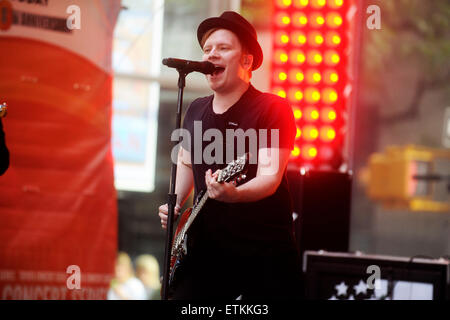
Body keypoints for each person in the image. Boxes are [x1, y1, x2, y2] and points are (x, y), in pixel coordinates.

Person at [158, 11, 302, 299]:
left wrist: (234, 195)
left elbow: (270, 177)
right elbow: (186, 162)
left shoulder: (271, 109)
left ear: (247, 60)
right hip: (204, 253)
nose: (211, 55)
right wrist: (173, 204)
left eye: (223, 48)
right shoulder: (196, 109)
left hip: (262, 255)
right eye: (207, 50)